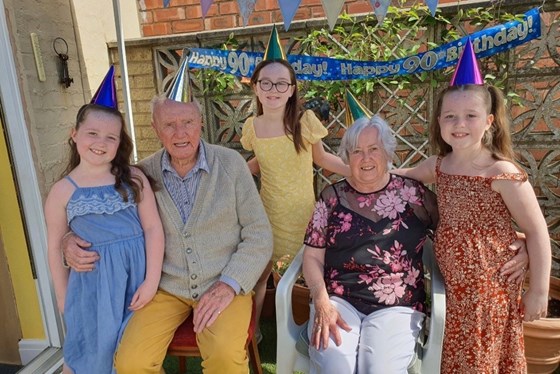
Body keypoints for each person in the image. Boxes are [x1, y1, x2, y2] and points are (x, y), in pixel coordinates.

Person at [303, 111, 531, 373]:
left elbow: (461, 229)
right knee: (335, 367)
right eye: (356, 151)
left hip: (398, 305)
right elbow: (312, 256)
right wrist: (321, 301)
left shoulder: (413, 195)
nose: (366, 158)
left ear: (388, 153)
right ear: (347, 157)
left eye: (374, 149)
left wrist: (518, 240)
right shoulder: (331, 198)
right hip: (338, 300)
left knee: (379, 369)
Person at [63, 93, 273, 373]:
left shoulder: (231, 164)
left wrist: (229, 285)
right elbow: (100, 210)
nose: (180, 133)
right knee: (130, 363)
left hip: (224, 283)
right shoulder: (140, 175)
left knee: (224, 356)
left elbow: (259, 233)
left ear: (201, 123)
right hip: (164, 289)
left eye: (188, 122)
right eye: (169, 124)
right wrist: (67, 238)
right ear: (155, 128)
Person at [393, 38, 551, 372]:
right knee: (451, 355)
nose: (459, 124)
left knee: (481, 357)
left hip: (488, 287)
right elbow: (398, 174)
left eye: (470, 115)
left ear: (489, 121)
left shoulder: (501, 172)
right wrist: (358, 166)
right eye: (449, 116)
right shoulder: (438, 165)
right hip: (451, 285)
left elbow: (537, 231)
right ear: (438, 122)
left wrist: (538, 290)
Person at [241, 30, 351, 338]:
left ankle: (319, 319)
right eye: (266, 83)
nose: (273, 89)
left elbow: (323, 160)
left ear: (291, 90)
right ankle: (255, 330)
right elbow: (258, 163)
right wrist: (231, 171)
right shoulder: (252, 126)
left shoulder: (304, 121)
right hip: (268, 215)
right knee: (262, 273)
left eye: (281, 84)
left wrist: (356, 171)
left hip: (304, 214)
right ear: (256, 88)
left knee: (312, 270)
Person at [45, 102, 165, 374]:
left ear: (120, 142)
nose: (101, 142)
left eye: (111, 137)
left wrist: (151, 281)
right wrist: (64, 298)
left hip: (135, 282)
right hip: (93, 289)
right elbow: (54, 247)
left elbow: (153, 229)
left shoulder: (133, 178)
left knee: (133, 354)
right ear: (74, 133)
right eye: (92, 133)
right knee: (92, 354)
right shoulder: (62, 191)